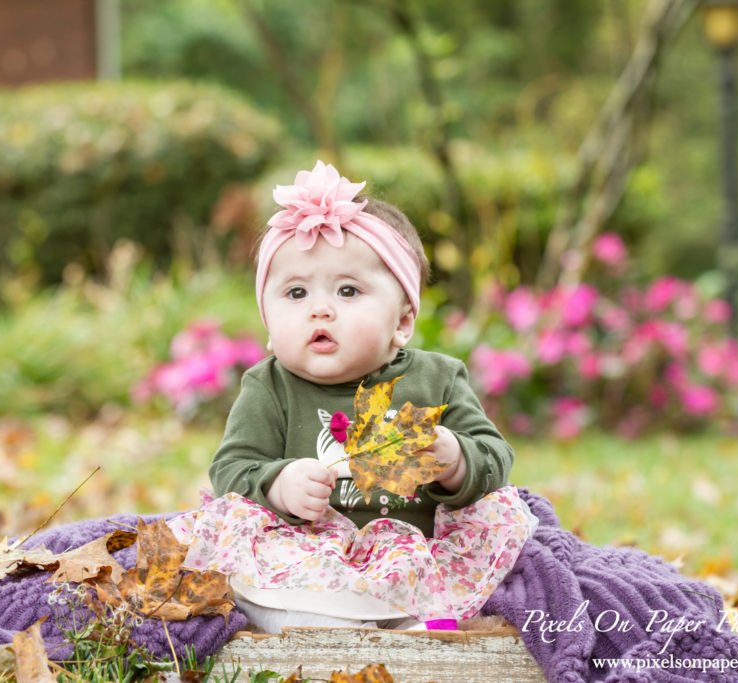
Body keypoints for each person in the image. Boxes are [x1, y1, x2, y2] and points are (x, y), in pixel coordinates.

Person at [168, 161, 537, 633]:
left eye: (347, 290)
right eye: (296, 292)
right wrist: (278, 483)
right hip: (302, 552)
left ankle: (419, 624)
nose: (320, 308)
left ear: (402, 322)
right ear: (268, 318)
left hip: (412, 553)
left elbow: (495, 456)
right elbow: (230, 469)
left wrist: (453, 458)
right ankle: (319, 626)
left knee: (485, 545)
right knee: (248, 573)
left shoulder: (438, 378)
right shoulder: (270, 386)